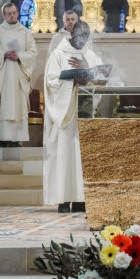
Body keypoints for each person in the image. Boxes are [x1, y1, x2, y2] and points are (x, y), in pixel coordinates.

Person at [43, 21, 102, 213]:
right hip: (66, 115)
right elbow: (51, 82)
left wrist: (89, 71)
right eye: (80, 36)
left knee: (82, 156)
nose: (83, 40)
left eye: (86, 36)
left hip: (85, 116)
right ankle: (63, 199)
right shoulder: (58, 55)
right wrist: (72, 80)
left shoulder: (90, 55)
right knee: (66, 155)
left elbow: (102, 79)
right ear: (72, 34)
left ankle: (81, 199)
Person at [0, 2, 38, 147]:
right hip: (2, 78)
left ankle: (16, 140)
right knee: (2, 107)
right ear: (3, 15)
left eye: (14, 12)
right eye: (9, 13)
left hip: (18, 78)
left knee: (18, 106)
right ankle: (2, 140)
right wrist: (3, 54)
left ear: (18, 13)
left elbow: (33, 53)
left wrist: (20, 56)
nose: (12, 15)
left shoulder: (25, 32)